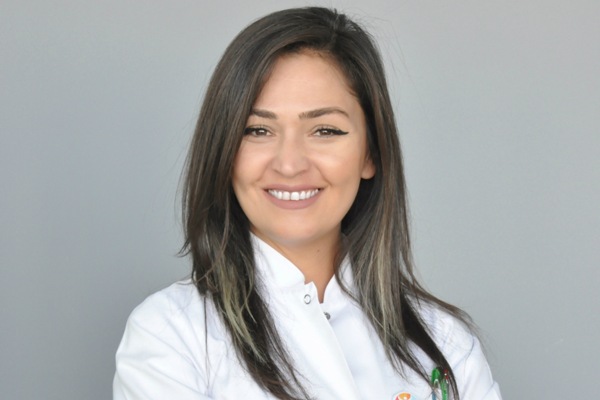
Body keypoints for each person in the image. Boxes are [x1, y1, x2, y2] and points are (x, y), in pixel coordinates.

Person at [113, 7, 502, 400]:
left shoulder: (446, 344)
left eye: (325, 130)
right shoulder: (170, 336)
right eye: (258, 130)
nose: (289, 164)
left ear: (371, 153)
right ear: (224, 152)